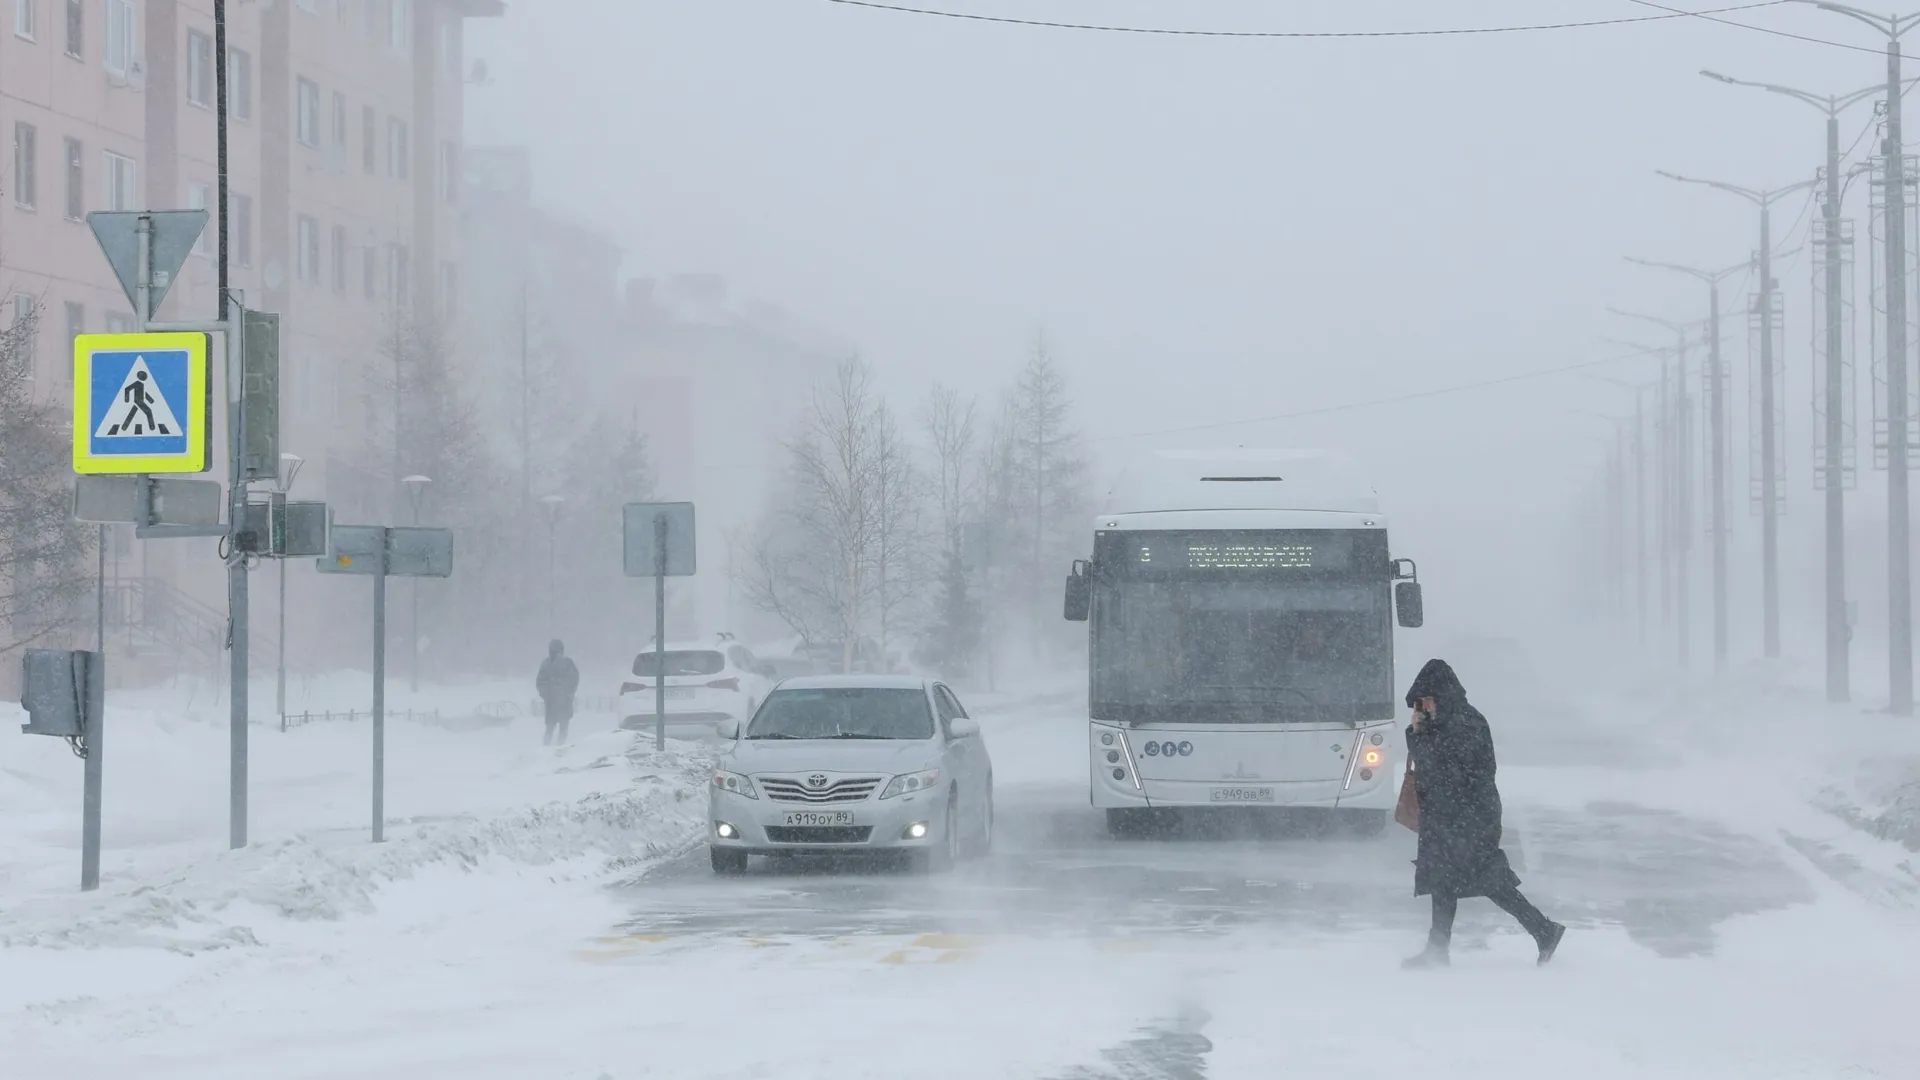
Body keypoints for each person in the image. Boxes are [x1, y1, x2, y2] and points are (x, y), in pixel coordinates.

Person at [1401, 658, 1565, 968]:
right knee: (1443, 880)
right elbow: (1428, 767)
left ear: (1439, 694)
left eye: (1425, 701)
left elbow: (1444, 771)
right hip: (1449, 816)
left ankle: (1544, 930)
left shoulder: (1464, 723)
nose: (1422, 707)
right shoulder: (1445, 723)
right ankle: (1438, 950)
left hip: (1470, 817)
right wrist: (1419, 730)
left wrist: (1421, 734)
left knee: (1489, 881)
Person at [535, 639, 580, 746]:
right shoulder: (551, 664)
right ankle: (553, 748)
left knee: (555, 728)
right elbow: (541, 682)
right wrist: (547, 695)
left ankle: (556, 748)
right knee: (555, 728)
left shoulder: (562, 663)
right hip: (555, 702)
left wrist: (569, 692)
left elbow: (574, 679)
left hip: (559, 702)